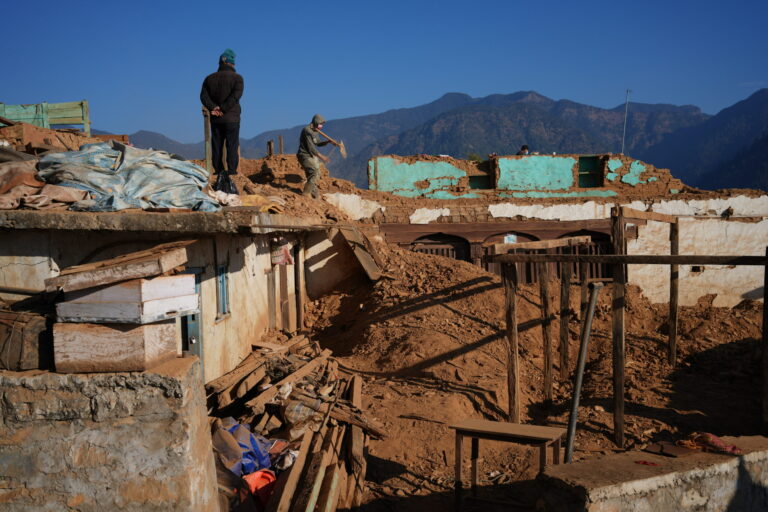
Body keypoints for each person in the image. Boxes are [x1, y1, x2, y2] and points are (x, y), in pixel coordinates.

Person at [200, 49, 244, 178]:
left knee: (217, 144)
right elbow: (235, 96)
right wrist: (223, 109)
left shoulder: (209, 79)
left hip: (215, 119)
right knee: (232, 144)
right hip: (232, 118)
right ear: (232, 63)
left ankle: (218, 170)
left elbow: (203, 96)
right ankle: (231, 172)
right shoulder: (238, 78)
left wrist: (214, 108)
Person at [297, 114, 337, 198]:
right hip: (304, 155)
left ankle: (315, 195)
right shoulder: (307, 131)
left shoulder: (315, 131)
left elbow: (317, 143)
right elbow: (311, 147)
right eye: (320, 124)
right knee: (314, 172)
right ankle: (306, 193)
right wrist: (321, 156)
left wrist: (327, 142)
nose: (321, 126)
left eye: (322, 124)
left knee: (315, 174)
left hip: (310, 155)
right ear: (316, 122)